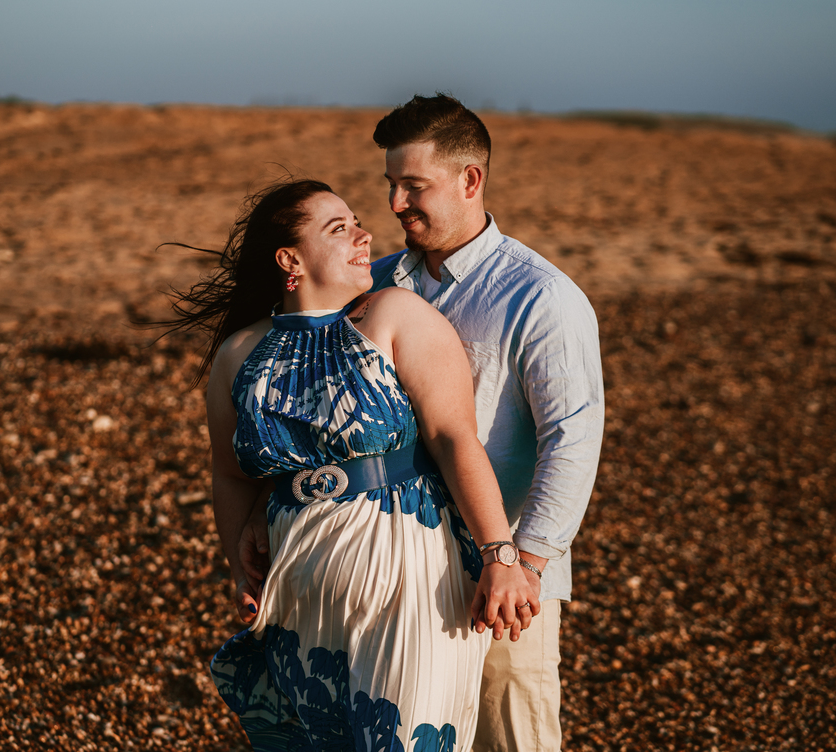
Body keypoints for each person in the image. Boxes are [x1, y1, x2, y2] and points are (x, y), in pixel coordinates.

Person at [242, 96, 605, 751]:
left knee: (510, 738)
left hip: (505, 582)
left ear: (470, 181)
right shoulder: (375, 286)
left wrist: (522, 563)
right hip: (401, 579)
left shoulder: (541, 298)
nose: (396, 204)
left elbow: (572, 440)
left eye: (414, 186)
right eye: (390, 185)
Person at [165, 178, 537, 750]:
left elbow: (453, 438)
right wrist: (240, 568)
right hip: (301, 589)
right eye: (339, 229)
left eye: (357, 222)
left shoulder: (394, 315)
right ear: (290, 258)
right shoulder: (239, 355)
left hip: (413, 580)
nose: (365, 235)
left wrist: (500, 554)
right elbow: (231, 472)